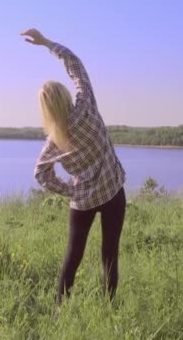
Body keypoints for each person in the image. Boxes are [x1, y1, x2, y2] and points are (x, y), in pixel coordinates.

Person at [20, 28, 126, 304]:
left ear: (46, 111)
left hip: (82, 202)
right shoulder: (85, 104)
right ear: (64, 96)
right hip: (113, 191)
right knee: (109, 254)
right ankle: (108, 309)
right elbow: (75, 64)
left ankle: (59, 311)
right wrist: (46, 43)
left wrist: (69, 189)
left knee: (73, 257)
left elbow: (40, 172)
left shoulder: (55, 141)